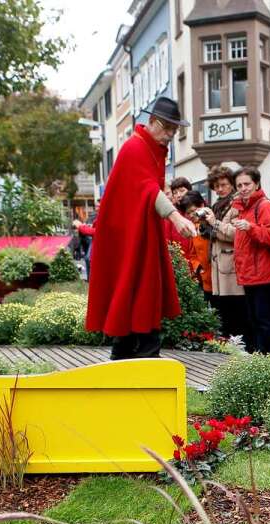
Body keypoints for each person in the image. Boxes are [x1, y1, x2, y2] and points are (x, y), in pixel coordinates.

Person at [85, 96, 196, 360]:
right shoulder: (135, 148)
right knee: (135, 286)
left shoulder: (149, 148)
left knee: (141, 288)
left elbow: (148, 191)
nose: (171, 135)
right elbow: (148, 189)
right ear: (154, 123)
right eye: (168, 129)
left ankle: (131, 356)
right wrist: (176, 218)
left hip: (141, 232)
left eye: (174, 130)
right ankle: (136, 356)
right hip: (128, 235)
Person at [203, 167, 270, 354]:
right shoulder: (244, 207)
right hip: (251, 276)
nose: (243, 188)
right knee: (256, 323)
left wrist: (251, 228)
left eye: (247, 184)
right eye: (239, 185)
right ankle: (262, 362)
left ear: (256, 184)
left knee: (266, 324)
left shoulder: (264, 206)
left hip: (266, 276)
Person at [205, 165, 252, 346]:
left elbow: (236, 233)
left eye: (224, 184)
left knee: (237, 311)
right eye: (216, 186)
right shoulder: (217, 205)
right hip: (219, 267)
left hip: (232, 267)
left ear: (231, 184)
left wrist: (213, 223)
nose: (220, 189)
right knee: (225, 311)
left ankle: (241, 350)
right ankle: (229, 350)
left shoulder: (237, 203)